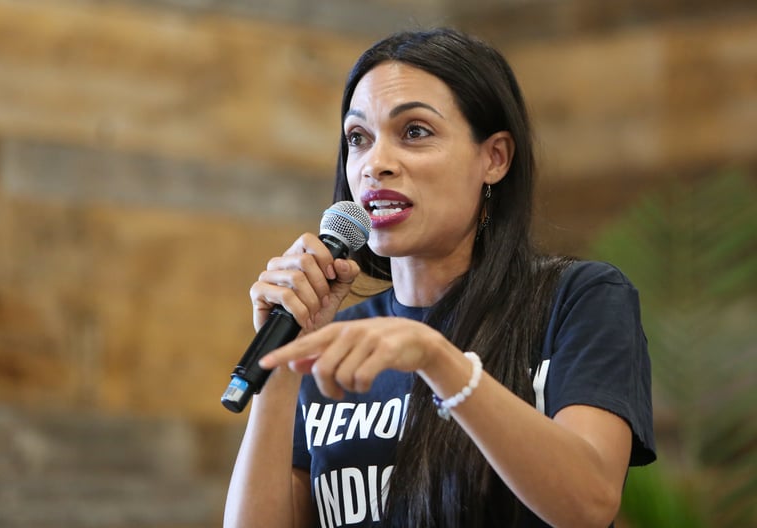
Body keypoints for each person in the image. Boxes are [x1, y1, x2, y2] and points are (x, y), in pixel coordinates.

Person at [224, 27, 655, 528]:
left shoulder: (577, 300)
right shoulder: (335, 343)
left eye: (414, 132)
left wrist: (438, 359)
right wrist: (281, 363)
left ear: (494, 158)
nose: (374, 164)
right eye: (358, 139)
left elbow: (589, 503)